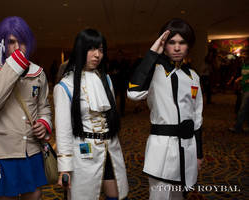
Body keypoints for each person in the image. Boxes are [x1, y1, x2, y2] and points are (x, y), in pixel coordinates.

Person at [0, 16, 52, 199]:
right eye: (11, 42)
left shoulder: (38, 72)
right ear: (2, 43)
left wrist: (44, 122)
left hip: (31, 150)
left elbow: (44, 107)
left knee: (34, 196)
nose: (18, 48)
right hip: (1, 152)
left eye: (22, 42)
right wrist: (11, 68)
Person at [127, 18, 203, 200]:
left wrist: (199, 153)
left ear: (188, 46)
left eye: (182, 43)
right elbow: (133, 93)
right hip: (162, 149)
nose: (177, 48)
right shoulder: (154, 70)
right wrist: (153, 53)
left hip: (188, 147)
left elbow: (197, 117)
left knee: (180, 196)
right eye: (171, 42)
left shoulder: (193, 76)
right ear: (164, 44)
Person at [54, 29, 128, 200]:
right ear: (80, 50)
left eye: (101, 50)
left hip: (110, 148)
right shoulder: (65, 86)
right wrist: (64, 167)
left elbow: (111, 116)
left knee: (116, 194)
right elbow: (63, 132)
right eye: (91, 49)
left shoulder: (106, 79)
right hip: (83, 152)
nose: (97, 55)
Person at [229, 50, 249, 134]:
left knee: (242, 109)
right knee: (245, 109)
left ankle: (238, 127)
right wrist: (239, 79)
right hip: (243, 89)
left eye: (244, 56)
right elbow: (244, 75)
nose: (242, 57)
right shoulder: (244, 65)